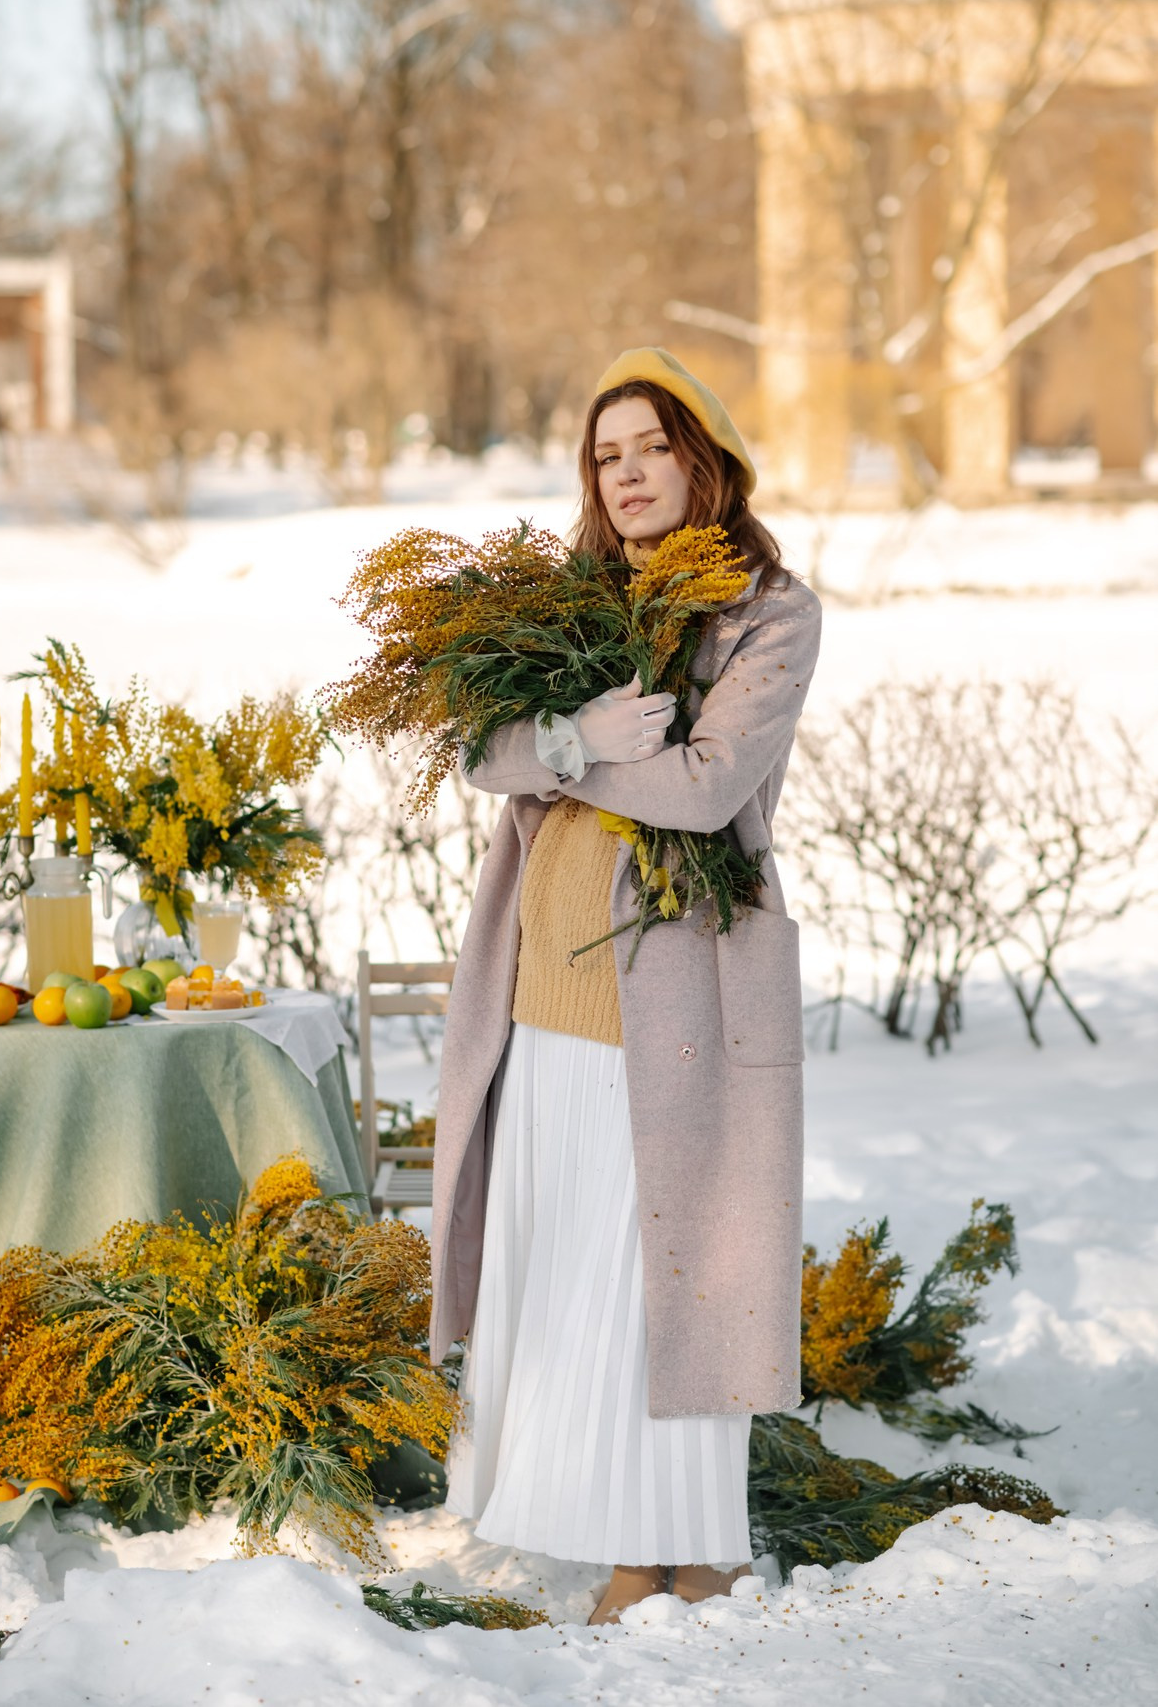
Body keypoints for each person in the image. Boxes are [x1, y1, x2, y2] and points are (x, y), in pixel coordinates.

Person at [430, 347, 822, 1625]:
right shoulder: (564, 604)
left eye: (651, 443)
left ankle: (679, 1547)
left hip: (679, 1000)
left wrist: (572, 759)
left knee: (668, 1271)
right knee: (569, 1271)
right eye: (608, 454)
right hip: (544, 988)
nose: (629, 470)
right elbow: (484, 751)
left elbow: (708, 786)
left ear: (702, 456)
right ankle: (623, 1541)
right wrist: (571, 737)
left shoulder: (767, 612)